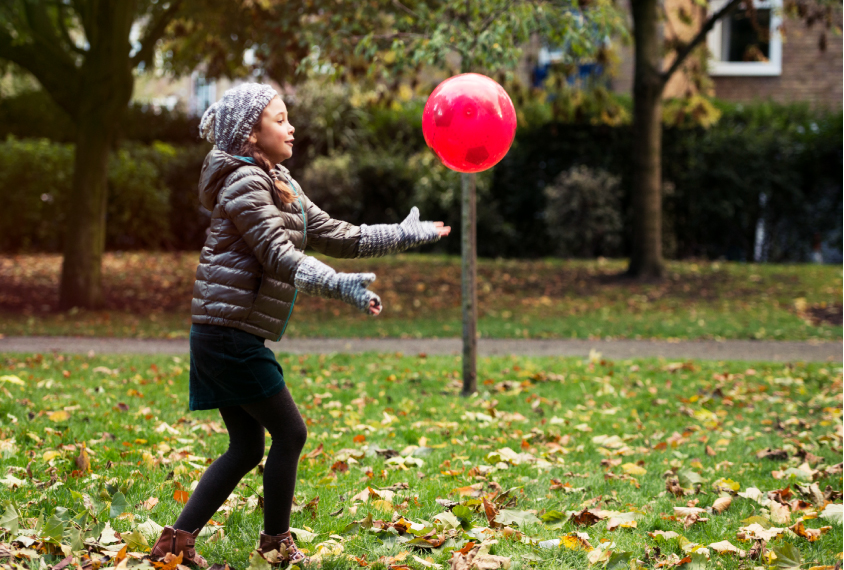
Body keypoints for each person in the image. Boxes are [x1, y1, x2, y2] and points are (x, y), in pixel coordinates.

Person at [147, 83, 451, 568]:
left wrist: (403, 233)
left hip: (228, 332)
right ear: (251, 133)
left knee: (247, 446)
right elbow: (278, 254)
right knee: (290, 433)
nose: (291, 127)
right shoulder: (245, 185)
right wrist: (338, 286)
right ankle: (274, 541)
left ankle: (177, 541)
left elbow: (337, 234)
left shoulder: (279, 180)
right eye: (280, 118)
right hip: (226, 336)